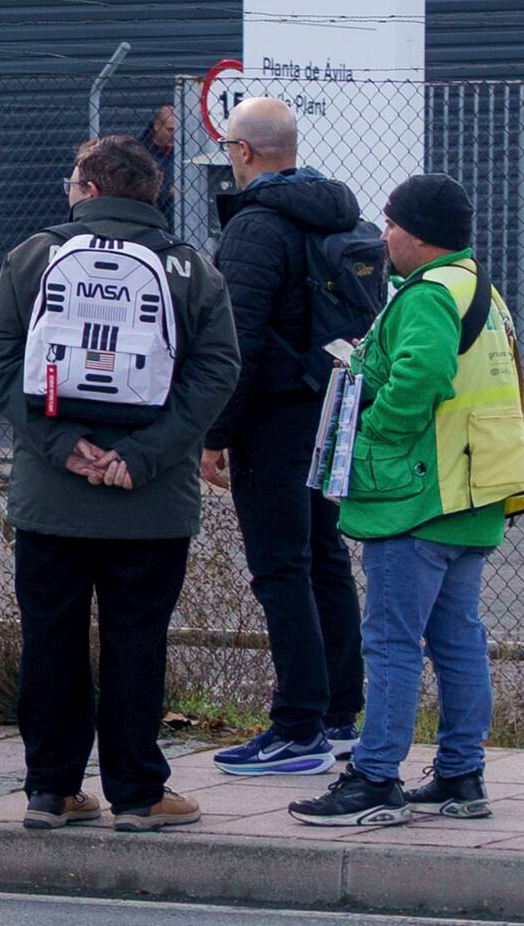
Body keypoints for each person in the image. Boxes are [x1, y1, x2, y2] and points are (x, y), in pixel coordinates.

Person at [0, 133, 236, 830]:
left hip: (52, 497)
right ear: (156, 193)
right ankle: (139, 792)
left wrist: (61, 445)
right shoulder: (189, 268)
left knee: (49, 636)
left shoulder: (35, 256)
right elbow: (218, 370)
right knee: (137, 639)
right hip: (148, 501)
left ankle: (50, 790)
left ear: (87, 189)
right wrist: (143, 456)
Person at [297, 172, 515, 828]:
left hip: (418, 492)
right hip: (473, 495)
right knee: (458, 640)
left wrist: (374, 431)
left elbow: (422, 373)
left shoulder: (425, 296)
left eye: (391, 222)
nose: (384, 233)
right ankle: (459, 772)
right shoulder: (480, 287)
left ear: (415, 232)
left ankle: (374, 777)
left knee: (391, 640)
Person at [201, 94, 373, 779]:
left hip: (273, 416)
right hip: (330, 407)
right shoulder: (344, 217)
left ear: (243, 151)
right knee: (325, 556)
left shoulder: (257, 226)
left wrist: (216, 432)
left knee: (281, 565)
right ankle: (338, 714)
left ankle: (297, 725)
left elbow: (233, 338)